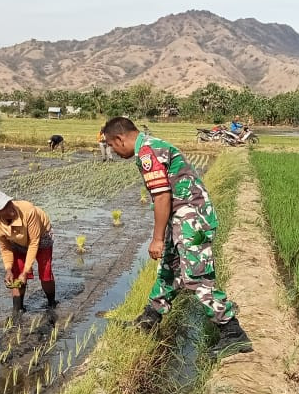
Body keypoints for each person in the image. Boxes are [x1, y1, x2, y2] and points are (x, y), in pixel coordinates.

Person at [101, 116, 252, 354]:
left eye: (111, 145)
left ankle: (232, 331)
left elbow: (162, 196)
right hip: (184, 217)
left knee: (196, 276)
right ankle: (149, 319)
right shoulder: (152, 145)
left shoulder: (147, 153)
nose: (112, 150)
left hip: (190, 218)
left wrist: (157, 238)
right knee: (169, 270)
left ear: (119, 138)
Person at [0, 190, 57, 323]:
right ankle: (18, 309)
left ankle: (52, 303)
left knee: (45, 273)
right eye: (3, 207)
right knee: (17, 275)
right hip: (18, 240)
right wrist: (8, 270)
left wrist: (26, 270)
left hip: (41, 236)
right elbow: (5, 249)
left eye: (8, 202)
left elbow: (34, 242)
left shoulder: (28, 210)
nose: (9, 207)